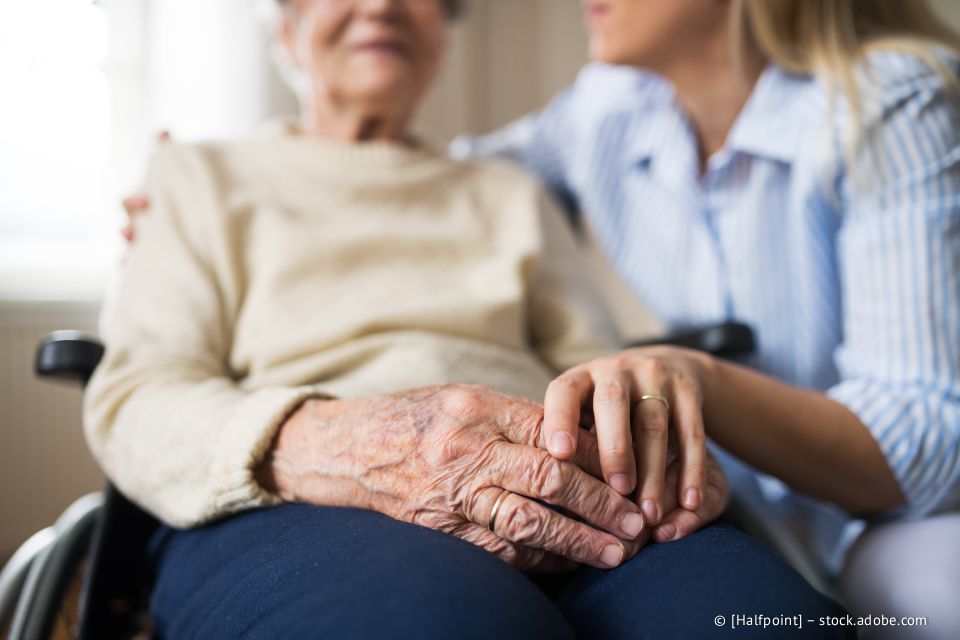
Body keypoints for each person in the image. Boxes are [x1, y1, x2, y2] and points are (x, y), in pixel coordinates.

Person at [91, 0, 849, 638]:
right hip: (301, 499)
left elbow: (589, 364)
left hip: (555, 485)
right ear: (285, 30)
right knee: (445, 617)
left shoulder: (508, 192)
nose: (383, 4)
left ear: (443, 34)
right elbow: (137, 398)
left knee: (755, 614)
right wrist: (343, 447)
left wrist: (648, 450)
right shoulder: (196, 177)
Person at [451, 0, 960, 637]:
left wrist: (702, 380)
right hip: (736, 511)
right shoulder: (609, 109)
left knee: (934, 604)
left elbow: (933, 442)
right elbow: (448, 180)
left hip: (903, 521)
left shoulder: (890, 100)